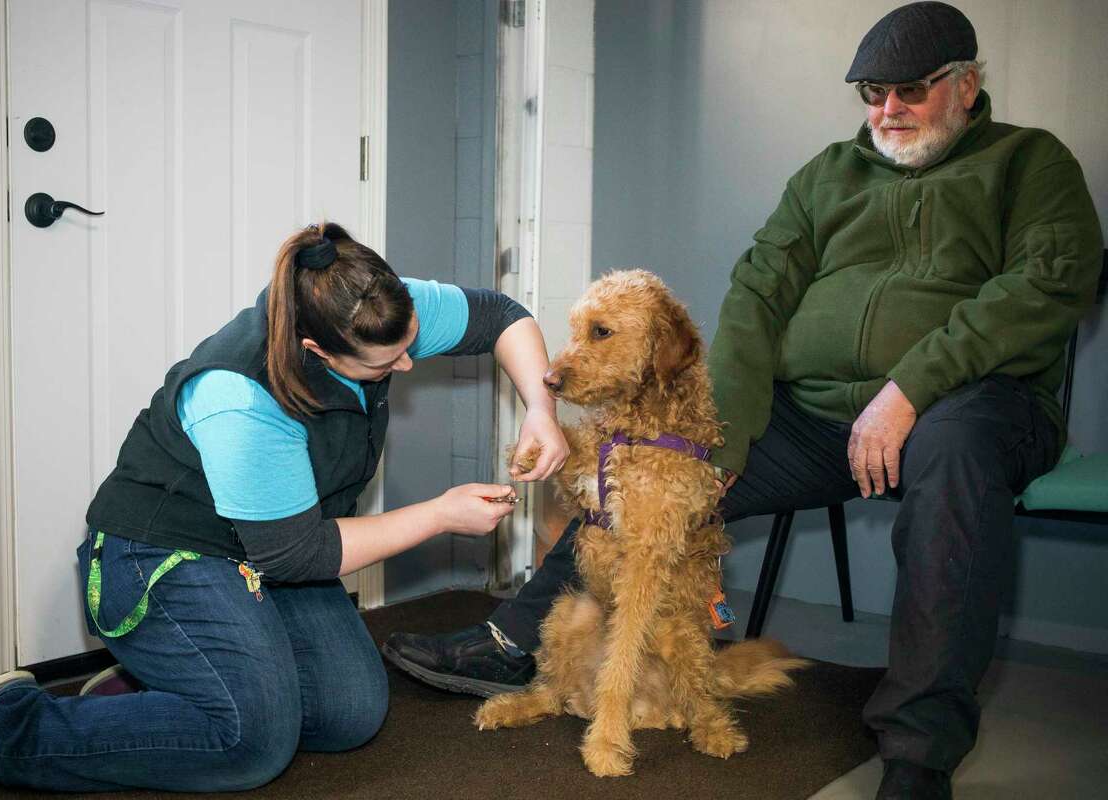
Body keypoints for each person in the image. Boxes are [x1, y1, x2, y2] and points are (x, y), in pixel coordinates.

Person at [381, 3, 1103, 798]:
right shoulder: (832, 173)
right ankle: (514, 639)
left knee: (958, 456)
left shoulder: (1029, 162)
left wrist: (911, 388)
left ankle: (919, 750)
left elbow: (1046, 282)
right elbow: (759, 294)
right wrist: (716, 445)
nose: (887, 111)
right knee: (645, 465)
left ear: (966, 85)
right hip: (821, 413)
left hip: (972, 403)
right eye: (872, 93)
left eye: (910, 92)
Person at [0, 222, 568, 792]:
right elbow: (298, 552)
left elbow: (501, 315)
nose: (405, 367)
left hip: (260, 554)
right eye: (383, 364)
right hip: (160, 552)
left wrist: (541, 410)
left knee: (349, 713)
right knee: (251, 740)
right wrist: (438, 516)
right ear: (316, 351)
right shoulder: (241, 394)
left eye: (409, 344)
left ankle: (167, 692)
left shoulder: (373, 308)